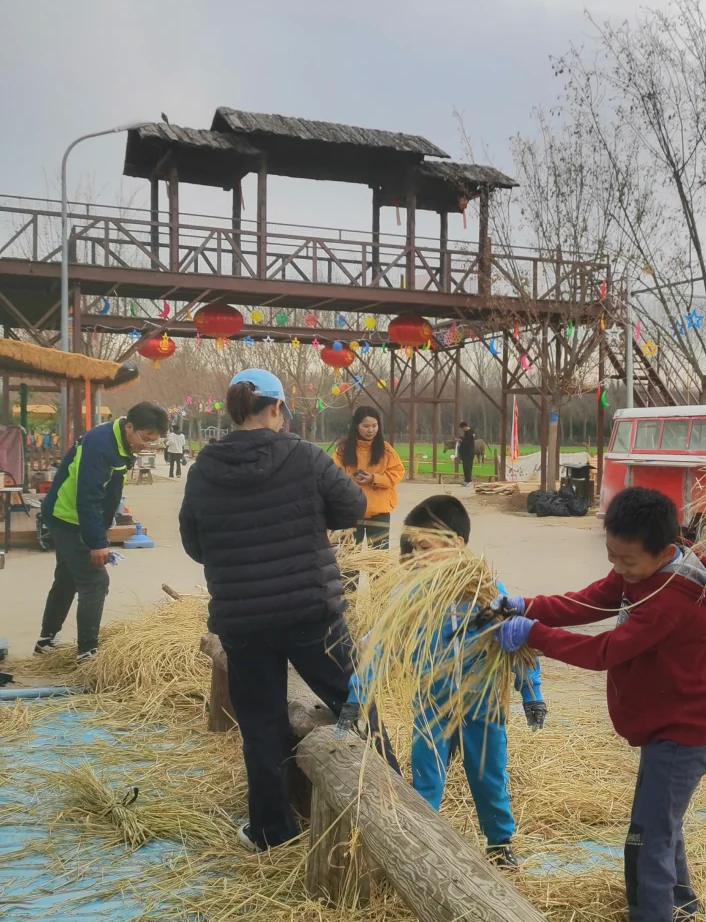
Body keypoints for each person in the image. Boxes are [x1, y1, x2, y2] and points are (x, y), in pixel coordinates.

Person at [492, 486, 706, 922]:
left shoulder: (673, 597)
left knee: (645, 840)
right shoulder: (640, 577)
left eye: (628, 561)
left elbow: (606, 651)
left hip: (687, 730)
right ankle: (681, 909)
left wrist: (535, 634)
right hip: (669, 721)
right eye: (612, 557)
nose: (618, 570)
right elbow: (589, 601)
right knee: (661, 821)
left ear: (665, 549)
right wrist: (525, 605)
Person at [179, 368, 398, 852]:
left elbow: (194, 544)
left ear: (234, 409)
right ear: (277, 407)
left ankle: (272, 832)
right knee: (356, 704)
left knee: (260, 725)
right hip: (311, 613)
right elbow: (353, 506)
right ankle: (399, 810)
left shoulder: (203, 468)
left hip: (243, 620)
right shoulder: (303, 456)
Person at [347, 494, 544, 871]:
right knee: (426, 777)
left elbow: (519, 646)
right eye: (412, 548)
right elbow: (379, 644)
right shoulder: (413, 596)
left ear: (456, 544)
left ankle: (500, 843)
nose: (417, 556)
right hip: (432, 703)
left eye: (425, 546)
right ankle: (423, 843)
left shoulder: (489, 594)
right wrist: (358, 695)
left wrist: (532, 692)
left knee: (488, 776)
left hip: (482, 704)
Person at [35, 401, 168, 661]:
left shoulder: (121, 441)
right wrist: (97, 542)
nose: (147, 445)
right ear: (129, 426)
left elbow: (111, 490)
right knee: (95, 582)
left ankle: (46, 641)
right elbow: (88, 496)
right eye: (145, 438)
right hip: (67, 516)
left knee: (67, 578)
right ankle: (88, 654)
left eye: (153, 441)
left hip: (76, 516)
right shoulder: (100, 444)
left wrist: (106, 526)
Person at [331, 405, 404, 550]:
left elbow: (397, 472)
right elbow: (333, 476)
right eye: (366, 426)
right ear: (356, 426)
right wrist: (351, 482)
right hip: (351, 512)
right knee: (349, 559)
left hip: (379, 513)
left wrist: (374, 479)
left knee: (378, 560)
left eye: (374, 426)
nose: (371, 430)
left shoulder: (386, 449)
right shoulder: (342, 450)